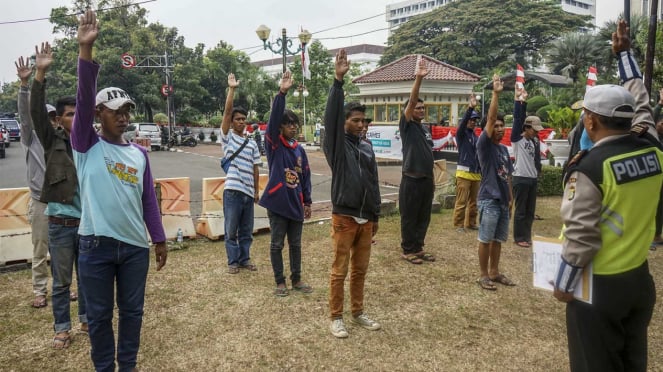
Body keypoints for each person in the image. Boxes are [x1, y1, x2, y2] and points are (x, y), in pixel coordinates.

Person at [552, 20, 660, 372]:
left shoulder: (590, 168)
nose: (583, 119)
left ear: (592, 122)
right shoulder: (653, 148)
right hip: (638, 281)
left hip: (598, 289)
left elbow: (581, 236)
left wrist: (564, 285)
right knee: (632, 362)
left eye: (585, 114)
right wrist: (624, 53)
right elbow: (639, 99)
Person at [72, 10, 168, 371]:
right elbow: (81, 102)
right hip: (94, 246)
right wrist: (86, 51)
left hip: (133, 248)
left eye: (127, 111)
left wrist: (158, 239)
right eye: (116, 111)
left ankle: (126, 366)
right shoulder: (86, 145)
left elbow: (147, 201)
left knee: (132, 313)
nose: (124, 117)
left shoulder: (139, 154)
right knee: (98, 318)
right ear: (99, 115)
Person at [30, 41, 87, 349]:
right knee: (63, 281)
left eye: (79, 113)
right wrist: (40, 73)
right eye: (69, 115)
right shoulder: (53, 141)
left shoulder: (90, 143)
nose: (75, 118)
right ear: (58, 120)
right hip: (62, 224)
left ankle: (87, 319)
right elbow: (36, 111)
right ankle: (62, 327)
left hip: (90, 223)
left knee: (89, 279)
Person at [323, 49, 381, 338]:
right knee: (340, 270)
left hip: (366, 218)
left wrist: (376, 216)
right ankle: (336, 317)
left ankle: (357, 312)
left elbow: (373, 182)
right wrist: (338, 82)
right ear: (344, 122)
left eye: (364, 121)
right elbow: (331, 116)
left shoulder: (367, 147)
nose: (361, 125)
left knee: (360, 270)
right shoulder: (337, 145)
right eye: (356, 120)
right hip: (344, 217)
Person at [259, 70, 313, 297]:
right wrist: (282, 93)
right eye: (288, 124)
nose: (293, 127)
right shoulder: (274, 146)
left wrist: (308, 201)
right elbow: (273, 120)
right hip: (278, 204)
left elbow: (305, 176)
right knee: (276, 244)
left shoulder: (299, 150)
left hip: (296, 204)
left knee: (297, 245)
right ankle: (280, 281)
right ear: (280, 127)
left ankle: (297, 279)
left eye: (295, 124)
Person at [475, 74, 515, 291]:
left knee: (498, 240)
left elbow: (507, 175)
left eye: (502, 125)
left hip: (501, 201)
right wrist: (495, 94)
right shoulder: (485, 145)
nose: (500, 128)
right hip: (489, 199)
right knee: (485, 238)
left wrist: (510, 198)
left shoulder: (503, 149)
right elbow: (489, 120)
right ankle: (483, 275)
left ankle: (494, 272)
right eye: (496, 125)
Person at [16, 56, 50, 309]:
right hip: (40, 201)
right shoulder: (31, 137)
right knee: (40, 250)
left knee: (65, 250)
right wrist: (24, 85)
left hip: (64, 201)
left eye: (51, 117)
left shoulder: (61, 139)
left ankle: (66, 286)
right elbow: (25, 116)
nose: (46, 120)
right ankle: (40, 290)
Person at [220, 73, 262, 274]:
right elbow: (227, 113)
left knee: (246, 231)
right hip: (232, 191)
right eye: (238, 119)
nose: (241, 122)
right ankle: (232, 262)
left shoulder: (252, 142)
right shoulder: (227, 138)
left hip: (247, 192)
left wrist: (256, 190)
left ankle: (244, 259)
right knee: (231, 230)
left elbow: (256, 168)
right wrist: (232, 90)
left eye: (244, 119)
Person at [398, 56, 436, 264]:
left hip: (426, 180)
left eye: (423, 108)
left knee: (424, 215)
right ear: (409, 111)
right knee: (409, 216)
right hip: (411, 180)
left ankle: (419, 247)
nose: (420, 110)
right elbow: (412, 100)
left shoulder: (423, 129)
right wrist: (419, 79)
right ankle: (407, 249)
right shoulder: (407, 126)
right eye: (417, 108)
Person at [510, 86, 543, 248]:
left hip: (532, 179)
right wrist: (519, 101)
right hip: (521, 178)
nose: (537, 133)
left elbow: (536, 159)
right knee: (521, 210)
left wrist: (538, 172)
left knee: (530, 212)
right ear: (527, 128)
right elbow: (518, 120)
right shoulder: (518, 140)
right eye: (534, 130)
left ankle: (527, 236)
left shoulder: (535, 141)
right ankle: (518, 237)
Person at [452, 95, 481, 232]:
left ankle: (471, 223)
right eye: (471, 119)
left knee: (474, 202)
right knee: (461, 201)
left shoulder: (477, 137)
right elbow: (462, 123)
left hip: (476, 174)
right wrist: (470, 108)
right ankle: (458, 225)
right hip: (463, 173)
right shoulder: (461, 135)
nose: (473, 122)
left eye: (475, 120)